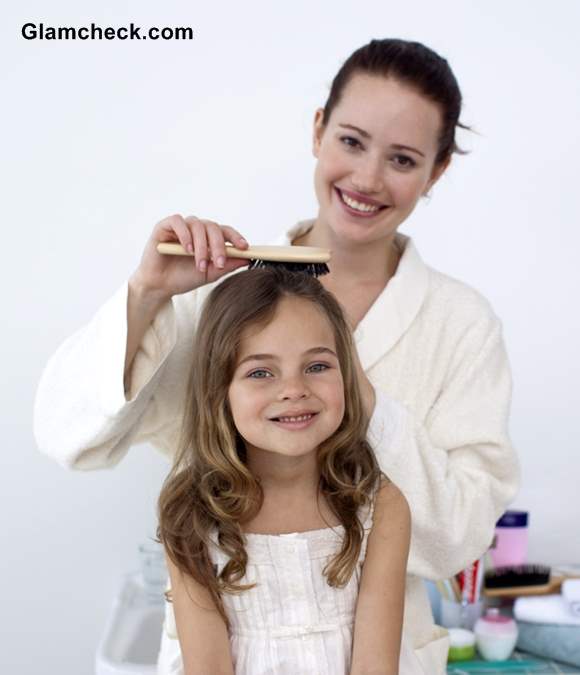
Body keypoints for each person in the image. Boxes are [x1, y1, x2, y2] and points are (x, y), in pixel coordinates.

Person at [33, 38, 520, 673]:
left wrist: (354, 386)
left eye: (402, 158)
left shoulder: (462, 325)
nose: (368, 178)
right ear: (318, 131)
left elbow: (457, 540)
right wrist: (148, 293)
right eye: (351, 141)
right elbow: (67, 437)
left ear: (437, 172)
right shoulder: (219, 295)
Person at [157, 266, 413, 674]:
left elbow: (376, 668)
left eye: (316, 366)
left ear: (345, 376)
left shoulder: (380, 505)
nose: (294, 389)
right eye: (260, 372)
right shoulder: (191, 514)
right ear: (219, 391)